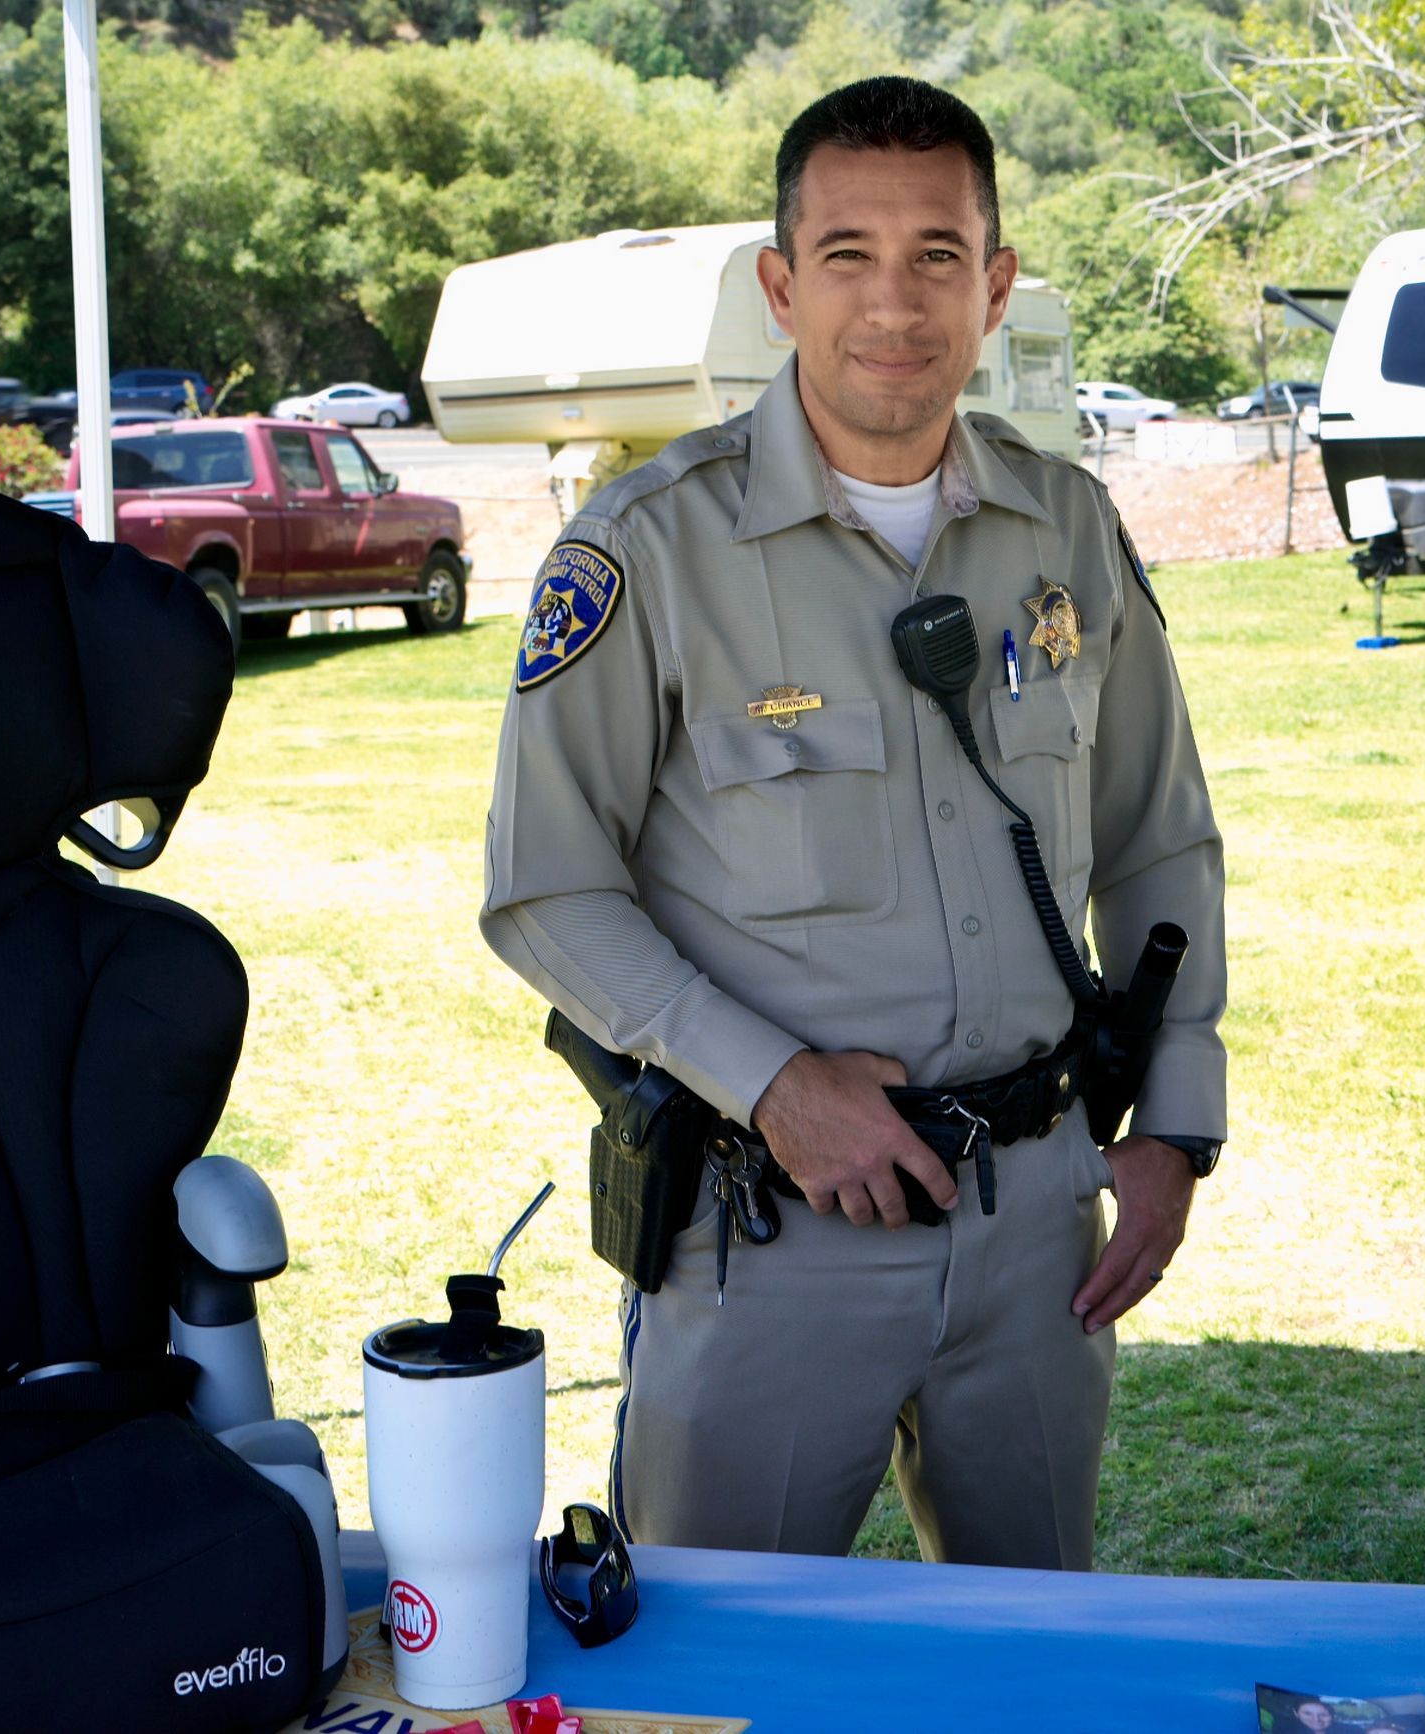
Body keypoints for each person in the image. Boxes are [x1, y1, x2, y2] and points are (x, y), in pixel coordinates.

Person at [478, 76, 1226, 1570]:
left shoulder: (1065, 524)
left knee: (1024, 1668)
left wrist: (1179, 1131)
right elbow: (546, 888)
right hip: (771, 1238)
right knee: (709, 1679)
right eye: (848, 254)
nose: (897, 303)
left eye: (939, 254)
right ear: (780, 284)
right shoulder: (648, 547)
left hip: (1035, 1233)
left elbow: (1159, 838)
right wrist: (772, 1083)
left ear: (996, 284)